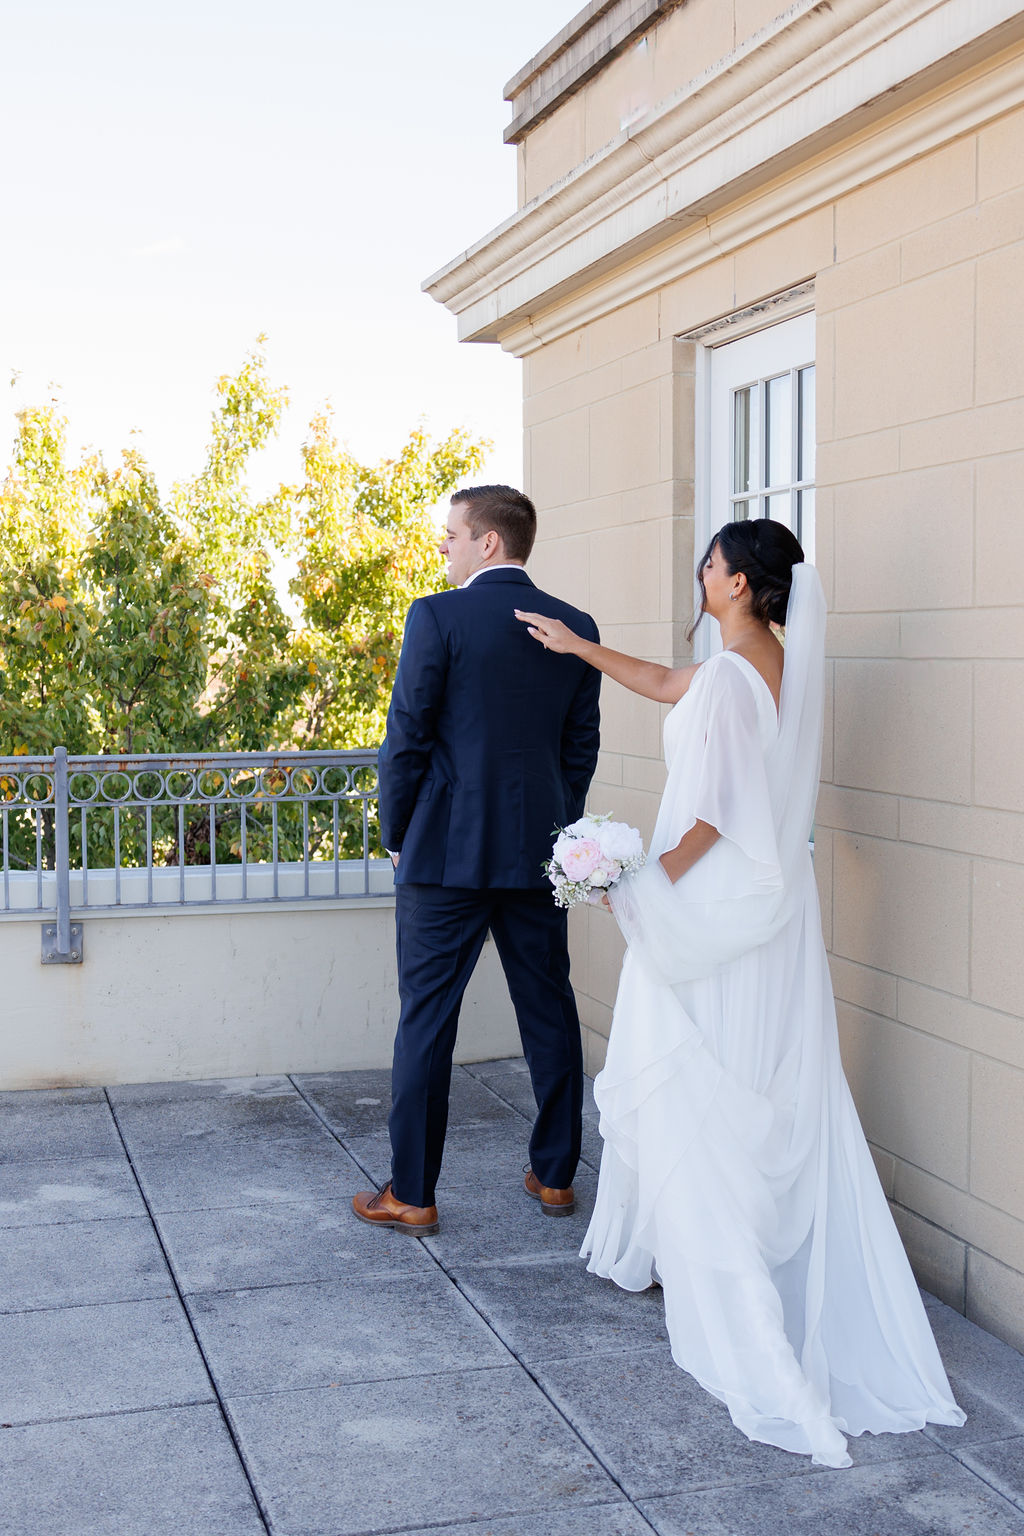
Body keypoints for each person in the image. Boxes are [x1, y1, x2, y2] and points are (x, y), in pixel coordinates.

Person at [515, 519, 964, 1468]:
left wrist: (637, 877)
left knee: (687, 1061)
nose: (701, 569)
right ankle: (708, 1243)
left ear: (741, 582)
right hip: (771, 903)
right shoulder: (767, 661)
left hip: (711, 895)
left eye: (712, 561)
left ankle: (715, 1263)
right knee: (740, 1064)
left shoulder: (731, 672)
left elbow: (713, 810)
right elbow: (667, 684)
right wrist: (582, 647)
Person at [352, 484, 601, 1236]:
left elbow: (408, 735)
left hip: (444, 857)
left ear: (488, 542)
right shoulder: (577, 626)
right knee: (550, 1010)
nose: (443, 547)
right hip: (539, 855)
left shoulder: (437, 614)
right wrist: (559, 831)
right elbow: (579, 746)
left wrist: (399, 831)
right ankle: (557, 1177)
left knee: (426, 1021)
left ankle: (414, 1193)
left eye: (451, 535)